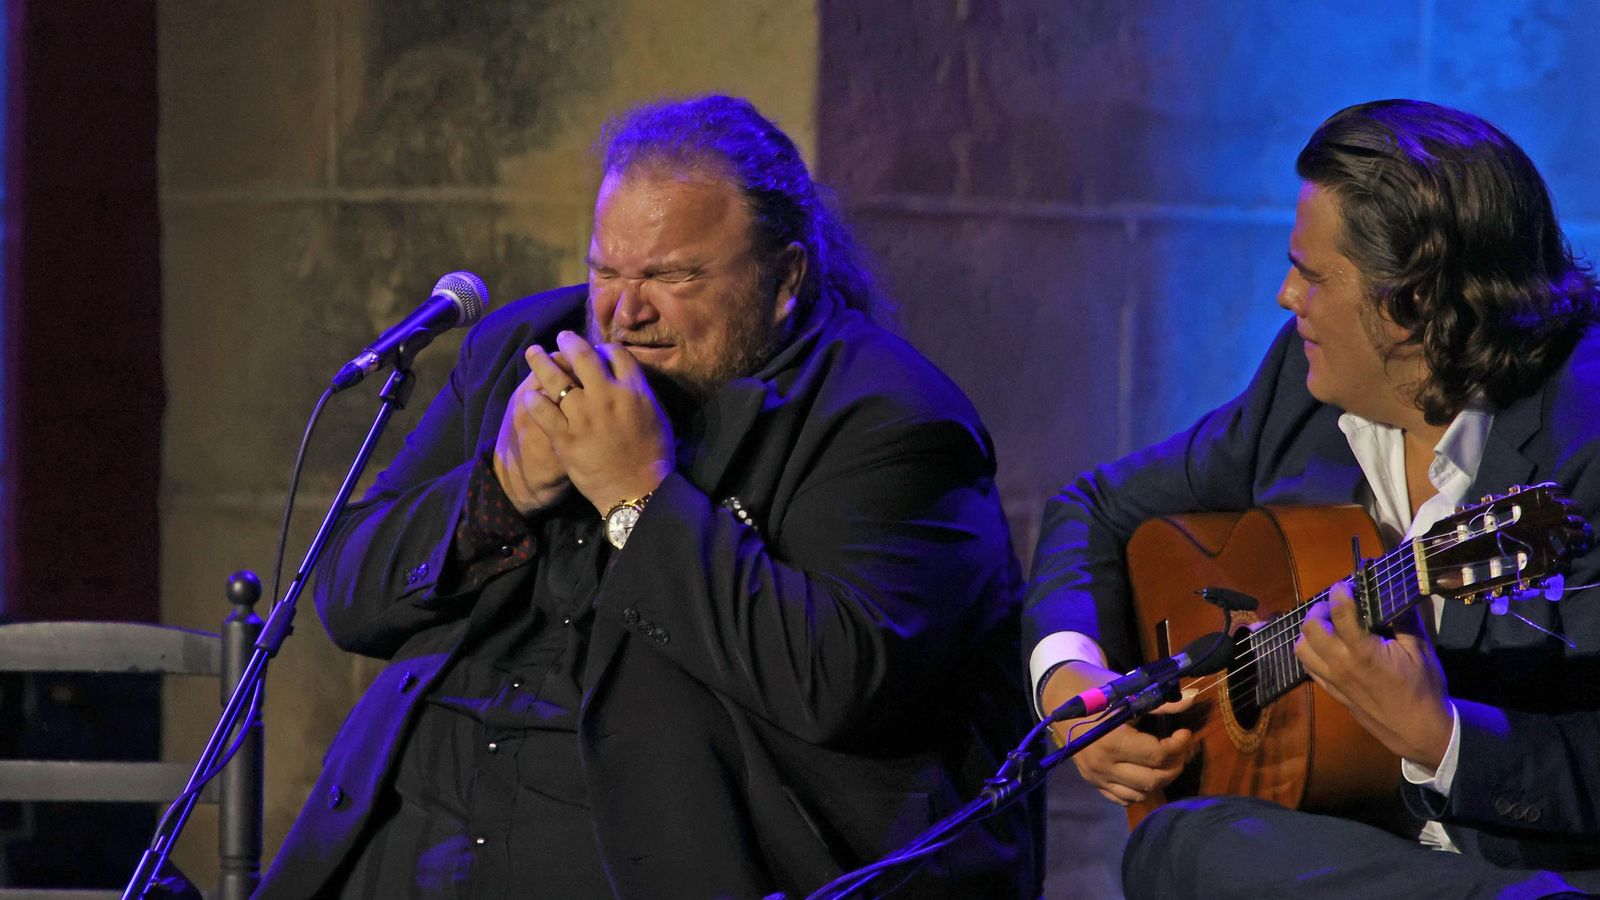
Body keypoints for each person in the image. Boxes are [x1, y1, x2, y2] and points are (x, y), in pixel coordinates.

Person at [257, 95, 1035, 898]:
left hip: (639, 858)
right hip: (412, 837)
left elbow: (832, 682)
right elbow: (347, 595)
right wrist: (502, 487)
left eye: (672, 276)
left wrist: (639, 495)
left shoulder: (889, 419)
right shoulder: (514, 351)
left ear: (786, 276)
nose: (624, 314)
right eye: (606, 270)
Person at [1025, 98, 1600, 897]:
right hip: (1351, 850)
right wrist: (1069, 683)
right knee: (1173, 843)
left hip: (1523, 866)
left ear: (1415, 303)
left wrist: (1443, 736)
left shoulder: (1584, 444)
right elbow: (1094, 504)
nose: (1286, 298)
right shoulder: (1301, 390)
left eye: (1313, 274)